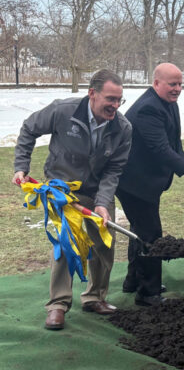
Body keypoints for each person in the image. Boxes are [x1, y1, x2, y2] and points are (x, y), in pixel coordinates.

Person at [12, 69, 132, 330]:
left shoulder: (122, 128)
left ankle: (94, 297)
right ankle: (58, 305)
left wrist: (102, 202)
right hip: (62, 189)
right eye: (110, 99)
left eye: (118, 100)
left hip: (97, 190)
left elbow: (114, 170)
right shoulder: (62, 111)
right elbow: (28, 129)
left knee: (104, 242)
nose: (115, 105)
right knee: (66, 244)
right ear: (92, 93)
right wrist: (21, 166)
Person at [116, 63, 184, 306]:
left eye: (180, 84)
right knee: (150, 234)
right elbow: (159, 149)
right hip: (135, 183)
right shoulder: (148, 109)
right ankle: (148, 293)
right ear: (156, 83)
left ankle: (133, 281)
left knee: (139, 229)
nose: (178, 89)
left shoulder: (167, 103)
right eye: (172, 84)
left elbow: (171, 139)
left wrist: (181, 157)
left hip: (144, 181)